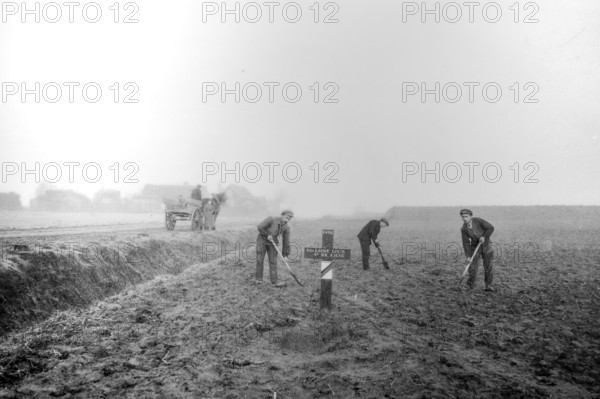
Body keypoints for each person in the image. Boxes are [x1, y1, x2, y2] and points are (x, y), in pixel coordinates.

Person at [256, 210, 294, 287]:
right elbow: (260, 226)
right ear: (282, 215)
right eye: (287, 216)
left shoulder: (286, 227)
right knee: (260, 260)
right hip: (262, 240)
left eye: (290, 217)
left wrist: (285, 255)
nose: (289, 218)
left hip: (273, 242)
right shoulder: (272, 219)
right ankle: (258, 280)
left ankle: (274, 281)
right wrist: (267, 234)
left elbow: (286, 241)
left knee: (273, 262)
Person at [460, 209, 495, 291]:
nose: (464, 218)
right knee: (472, 267)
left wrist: (484, 237)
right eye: (463, 217)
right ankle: (470, 285)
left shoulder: (478, 221)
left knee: (488, 266)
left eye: (466, 216)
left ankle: (489, 285)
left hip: (487, 246)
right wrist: (468, 255)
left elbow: (490, 228)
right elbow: (466, 243)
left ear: (471, 216)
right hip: (475, 247)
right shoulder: (463, 228)